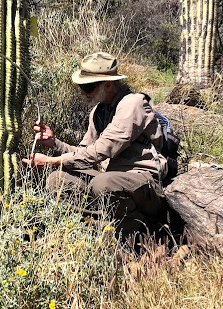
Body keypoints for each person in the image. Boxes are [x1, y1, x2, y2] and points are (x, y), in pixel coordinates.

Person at [22, 51, 167, 236]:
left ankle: (137, 229)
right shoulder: (99, 112)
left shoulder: (133, 104)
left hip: (145, 183)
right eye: (81, 86)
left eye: (88, 86)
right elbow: (84, 151)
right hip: (113, 182)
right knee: (57, 180)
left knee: (103, 183)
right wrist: (54, 143)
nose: (83, 92)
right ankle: (100, 224)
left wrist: (51, 161)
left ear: (108, 85)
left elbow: (98, 152)